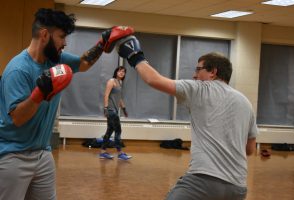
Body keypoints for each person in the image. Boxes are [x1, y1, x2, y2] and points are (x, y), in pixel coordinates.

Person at [0, 8, 134, 200]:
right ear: (45, 35)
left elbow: (83, 64)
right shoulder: (18, 70)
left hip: (43, 153)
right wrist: (40, 93)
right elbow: (18, 118)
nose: (65, 43)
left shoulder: (56, 60)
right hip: (13, 155)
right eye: (62, 37)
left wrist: (102, 44)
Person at [117, 36, 258, 200]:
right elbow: (249, 149)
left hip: (203, 181)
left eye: (198, 70)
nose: (194, 75)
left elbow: (153, 79)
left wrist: (135, 56)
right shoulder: (246, 102)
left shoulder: (200, 89)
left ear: (213, 72)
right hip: (238, 188)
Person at [100, 66, 132, 160]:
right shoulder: (111, 81)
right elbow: (106, 94)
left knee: (109, 131)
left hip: (115, 109)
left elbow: (119, 98)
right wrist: (105, 108)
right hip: (111, 110)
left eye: (124, 72)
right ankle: (120, 153)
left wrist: (124, 109)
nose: (122, 73)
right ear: (116, 72)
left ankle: (103, 152)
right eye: (120, 71)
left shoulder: (119, 82)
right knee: (118, 130)